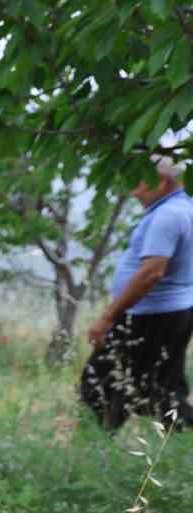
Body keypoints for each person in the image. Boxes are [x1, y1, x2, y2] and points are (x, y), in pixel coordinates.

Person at [80, 153, 193, 431]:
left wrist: (108, 317)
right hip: (173, 312)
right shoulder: (183, 207)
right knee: (162, 389)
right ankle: (179, 443)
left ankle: (93, 452)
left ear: (164, 182)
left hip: (151, 315)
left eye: (140, 180)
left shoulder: (168, 215)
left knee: (99, 386)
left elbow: (151, 273)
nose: (133, 187)